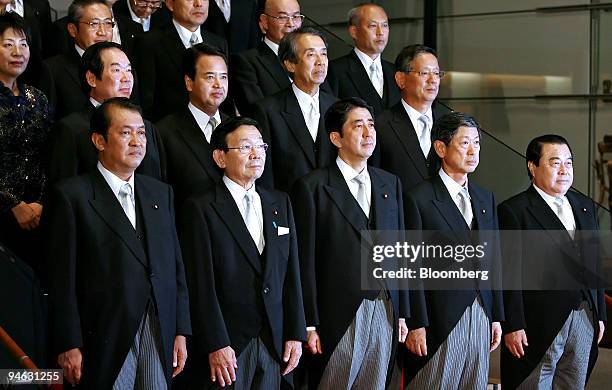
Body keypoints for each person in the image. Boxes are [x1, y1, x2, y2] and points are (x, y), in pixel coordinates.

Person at [45, 97, 191, 389]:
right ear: (99, 140)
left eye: (141, 132)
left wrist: (181, 329)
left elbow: (175, 267)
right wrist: (68, 342)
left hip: (158, 325)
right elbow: (60, 278)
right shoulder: (72, 196)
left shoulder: (160, 194)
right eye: (126, 133)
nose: (137, 140)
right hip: (102, 331)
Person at [180, 116, 306, 389]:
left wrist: (295, 333)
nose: (256, 153)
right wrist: (216, 342)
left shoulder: (279, 202)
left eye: (261, 146)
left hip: (274, 339)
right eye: (245, 147)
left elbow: (291, 273)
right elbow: (201, 283)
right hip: (230, 343)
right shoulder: (201, 208)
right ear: (220, 157)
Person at [291, 97, 408, 389]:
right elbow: (304, 260)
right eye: (358, 126)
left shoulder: (389, 183)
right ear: (336, 138)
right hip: (337, 312)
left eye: (371, 125)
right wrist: (309, 322)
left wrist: (404, 312)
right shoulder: (312, 187)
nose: (369, 133)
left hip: (385, 306)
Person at [403, 112, 503, 389]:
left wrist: (496, 316)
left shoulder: (485, 198)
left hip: (481, 314)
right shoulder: (418, 198)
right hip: (439, 318)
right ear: (440, 148)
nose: (473, 151)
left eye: (477, 143)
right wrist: (416, 323)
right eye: (464, 143)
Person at [498, 134, 606, 389]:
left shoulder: (585, 206)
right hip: (538, 324)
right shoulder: (514, 211)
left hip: (583, 317)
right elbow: (508, 274)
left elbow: (595, 263)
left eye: (568, 163)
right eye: (555, 162)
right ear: (532, 167)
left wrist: (599, 313)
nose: (564, 170)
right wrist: (513, 325)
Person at [47, 41, 162, 184]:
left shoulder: (147, 127)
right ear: (92, 79)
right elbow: (64, 191)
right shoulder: (71, 129)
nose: (127, 78)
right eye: (116, 70)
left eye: (129, 70)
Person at [252, 26, 337, 192]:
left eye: (324, 54)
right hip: (290, 207)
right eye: (311, 54)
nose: (320, 61)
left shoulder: (337, 107)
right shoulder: (267, 110)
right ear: (290, 64)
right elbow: (266, 173)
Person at [0, 12, 51, 275]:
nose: (17, 51)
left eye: (23, 44)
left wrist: (40, 202)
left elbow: (49, 155)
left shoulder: (38, 97)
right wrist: (13, 205)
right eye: (8, 44)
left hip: (39, 213)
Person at [371, 44, 452, 195]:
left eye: (436, 73)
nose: (433, 80)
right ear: (401, 79)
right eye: (424, 73)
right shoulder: (380, 125)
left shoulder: (449, 124)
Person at [157, 43, 229, 209]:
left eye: (223, 77)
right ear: (189, 82)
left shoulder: (237, 129)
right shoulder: (164, 131)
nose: (218, 84)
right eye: (210, 77)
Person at [135, 0, 228, 121]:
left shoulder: (219, 43)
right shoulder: (149, 43)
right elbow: (146, 101)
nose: (199, 4)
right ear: (170, 4)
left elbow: (226, 100)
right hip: (168, 131)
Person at [40, 0, 114, 119]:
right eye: (94, 24)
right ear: (72, 29)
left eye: (108, 23)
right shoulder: (52, 69)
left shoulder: (124, 67)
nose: (103, 32)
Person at [229, 0, 302, 117]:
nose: (291, 23)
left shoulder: (310, 57)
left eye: (296, 16)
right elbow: (256, 112)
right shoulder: (246, 61)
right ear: (264, 22)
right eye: (283, 17)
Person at [327, 3, 399, 116]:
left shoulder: (395, 71)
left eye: (385, 25)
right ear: (354, 31)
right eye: (372, 26)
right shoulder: (335, 70)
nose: (380, 33)